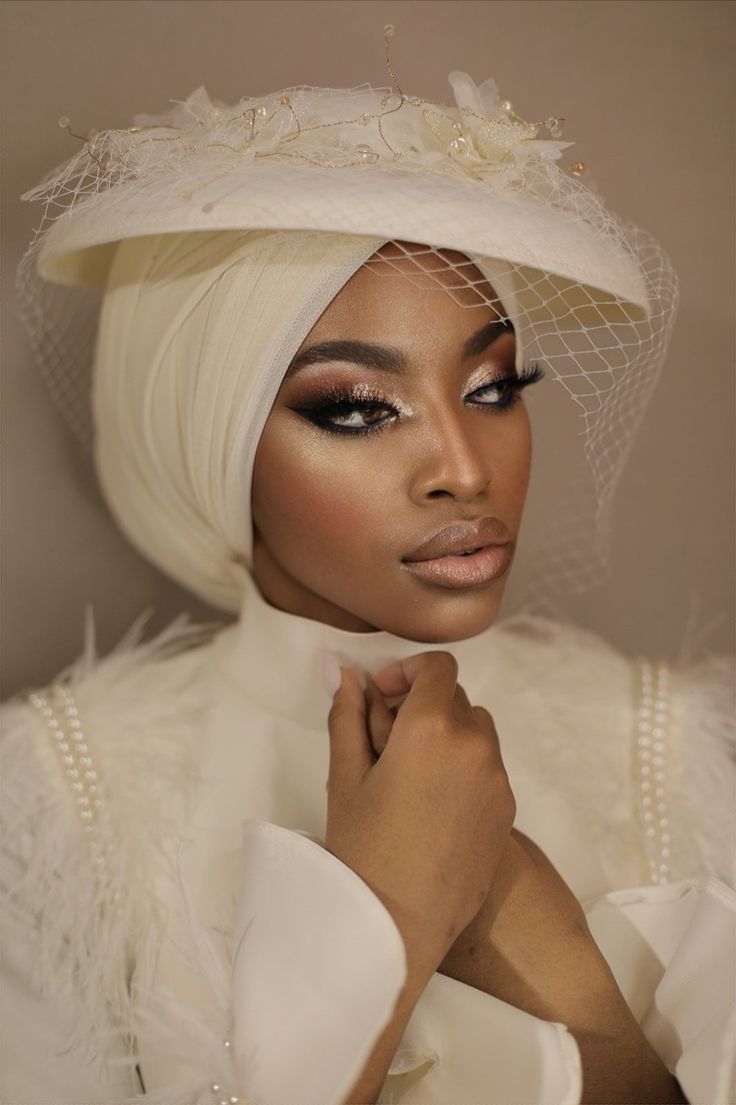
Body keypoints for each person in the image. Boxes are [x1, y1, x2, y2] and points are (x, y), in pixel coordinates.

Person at [2, 41, 734, 1105]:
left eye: (494, 385)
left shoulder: (667, 746)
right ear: (208, 439)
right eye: (353, 406)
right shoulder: (55, 801)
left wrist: (574, 990)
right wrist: (385, 918)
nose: (462, 468)